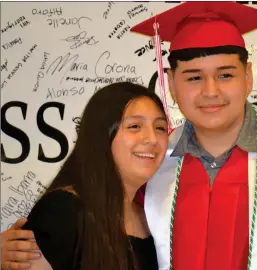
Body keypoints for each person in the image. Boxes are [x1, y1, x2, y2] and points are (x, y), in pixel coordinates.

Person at [1, 2, 257, 270]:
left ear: (249, 77)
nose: (210, 91)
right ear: (172, 87)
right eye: (193, 77)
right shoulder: (153, 165)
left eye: (225, 74)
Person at [1, 82, 168, 270]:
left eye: (160, 128)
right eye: (135, 126)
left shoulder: (152, 216)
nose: (152, 139)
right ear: (101, 134)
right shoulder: (61, 211)